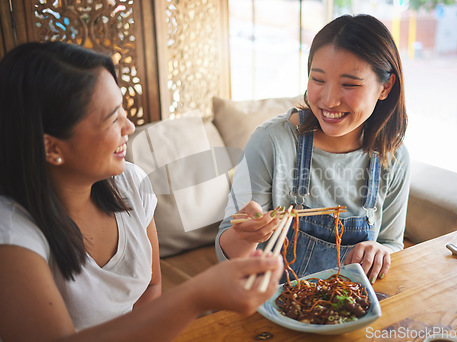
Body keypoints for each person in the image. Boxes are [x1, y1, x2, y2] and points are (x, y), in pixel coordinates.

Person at [0, 41, 283, 341]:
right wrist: (197, 294)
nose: (130, 126)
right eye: (112, 118)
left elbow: (150, 287)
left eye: (123, 110)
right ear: (52, 147)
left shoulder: (130, 184)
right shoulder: (11, 236)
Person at [216, 14, 410, 285]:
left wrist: (381, 251)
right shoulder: (270, 142)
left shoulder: (394, 157)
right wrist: (246, 235)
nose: (329, 99)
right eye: (318, 80)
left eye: (349, 84)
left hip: (347, 308)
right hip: (271, 307)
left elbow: (391, 242)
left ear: (385, 87)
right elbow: (228, 254)